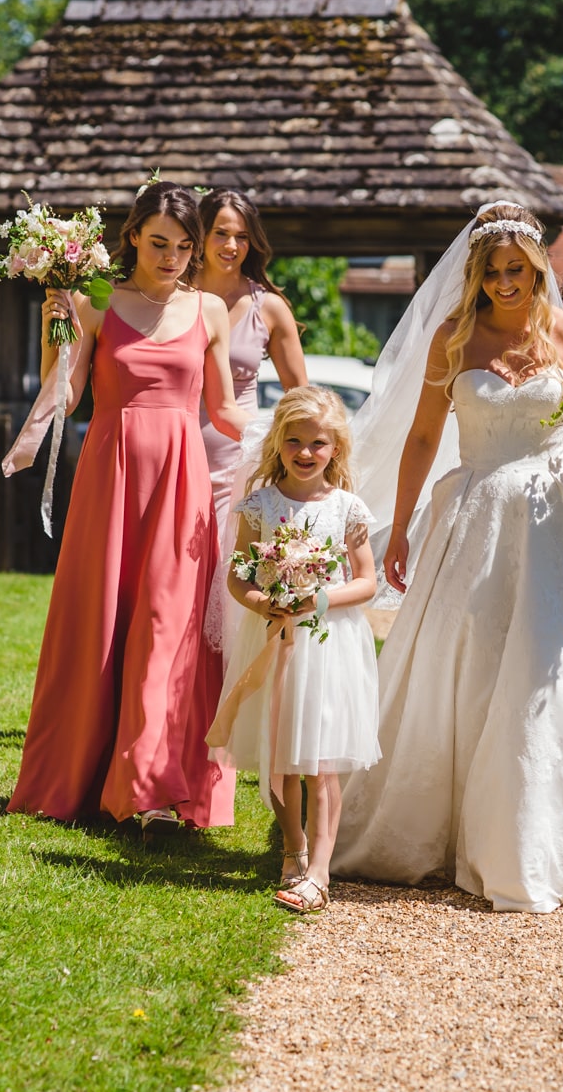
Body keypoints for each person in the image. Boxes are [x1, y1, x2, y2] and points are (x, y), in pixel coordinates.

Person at [332, 202, 563, 913]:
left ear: (539, 267)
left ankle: (553, 837)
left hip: (558, 519)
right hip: (476, 512)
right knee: (468, 660)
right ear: (477, 273)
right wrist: (398, 528)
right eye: (494, 271)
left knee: (551, 664)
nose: (507, 282)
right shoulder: (454, 338)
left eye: (518, 268)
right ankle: (452, 826)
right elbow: (424, 437)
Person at [2, 180, 250, 829]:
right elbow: (68, 387)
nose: (171, 256)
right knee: (102, 626)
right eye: (159, 242)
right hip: (109, 481)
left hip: (181, 483)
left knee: (169, 626)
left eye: (184, 246)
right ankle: (83, 777)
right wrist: (27, 442)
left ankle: (153, 786)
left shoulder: (210, 312)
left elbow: (222, 410)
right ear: (133, 235)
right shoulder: (94, 303)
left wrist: (296, 451)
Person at [212, 387, 380, 914]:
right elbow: (239, 573)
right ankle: (292, 849)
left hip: (329, 646)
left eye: (318, 444)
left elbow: (368, 581)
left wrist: (321, 597)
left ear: (336, 449)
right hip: (277, 640)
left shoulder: (347, 508)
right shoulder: (260, 505)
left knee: (321, 762)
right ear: (278, 443)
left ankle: (320, 872)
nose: (306, 453)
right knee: (282, 755)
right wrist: (264, 601)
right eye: (295, 441)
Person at [193, 189, 307, 528]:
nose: (232, 246)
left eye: (242, 237)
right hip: (177, 452)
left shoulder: (269, 307)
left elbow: (299, 396)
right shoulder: (175, 296)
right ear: (200, 234)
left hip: (237, 462)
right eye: (221, 234)